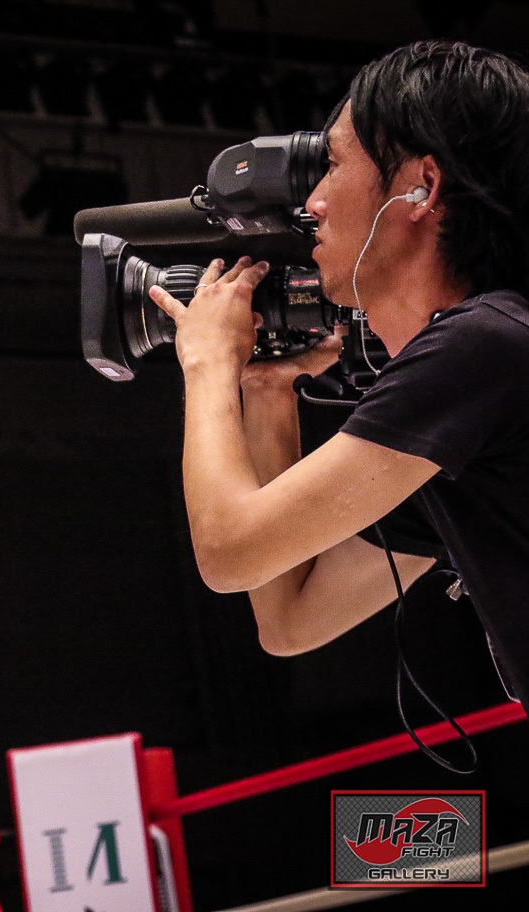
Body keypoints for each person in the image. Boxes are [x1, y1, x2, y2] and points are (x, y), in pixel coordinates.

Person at [147, 42, 529, 702]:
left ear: (423, 186)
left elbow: (229, 553)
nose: (313, 204)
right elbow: (291, 619)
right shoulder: (487, 360)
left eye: (331, 166)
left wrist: (207, 361)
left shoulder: (483, 347)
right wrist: (267, 389)